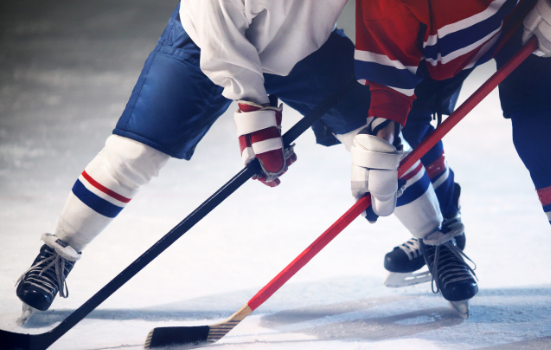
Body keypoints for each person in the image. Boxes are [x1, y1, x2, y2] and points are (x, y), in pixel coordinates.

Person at [14, 0, 464, 321]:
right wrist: (254, 109)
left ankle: (436, 242)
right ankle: (57, 252)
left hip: (307, 52)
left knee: (378, 143)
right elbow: (222, 34)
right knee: (134, 152)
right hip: (206, 45)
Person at [353, 0, 551, 334]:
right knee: (408, 133)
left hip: (524, 15)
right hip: (438, 40)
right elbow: (389, 74)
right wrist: (383, 136)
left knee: (540, 131)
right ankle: (443, 228)